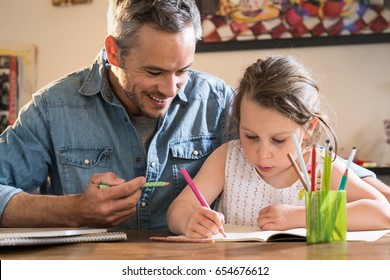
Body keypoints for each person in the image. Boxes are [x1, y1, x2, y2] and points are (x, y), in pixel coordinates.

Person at [0, 0, 386, 230]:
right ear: (114, 52)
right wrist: (73, 210)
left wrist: (362, 187)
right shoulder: (53, 108)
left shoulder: (219, 100)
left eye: (182, 70)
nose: (171, 90)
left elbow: (290, 144)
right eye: (153, 72)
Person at [166, 55, 390, 238]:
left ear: (309, 127)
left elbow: (383, 212)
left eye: (279, 140)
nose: (262, 154)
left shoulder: (321, 167)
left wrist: (302, 217)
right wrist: (189, 221)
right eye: (251, 136)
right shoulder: (227, 158)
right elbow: (178, 209)